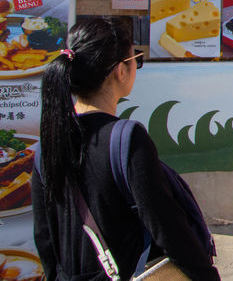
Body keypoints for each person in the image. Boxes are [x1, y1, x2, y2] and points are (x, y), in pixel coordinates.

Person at [32, 17, 220, 281]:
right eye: (136, 60)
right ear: (120, 71)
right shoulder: (126, 138)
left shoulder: (46, 146)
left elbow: (45, 238)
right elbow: (169, 230)